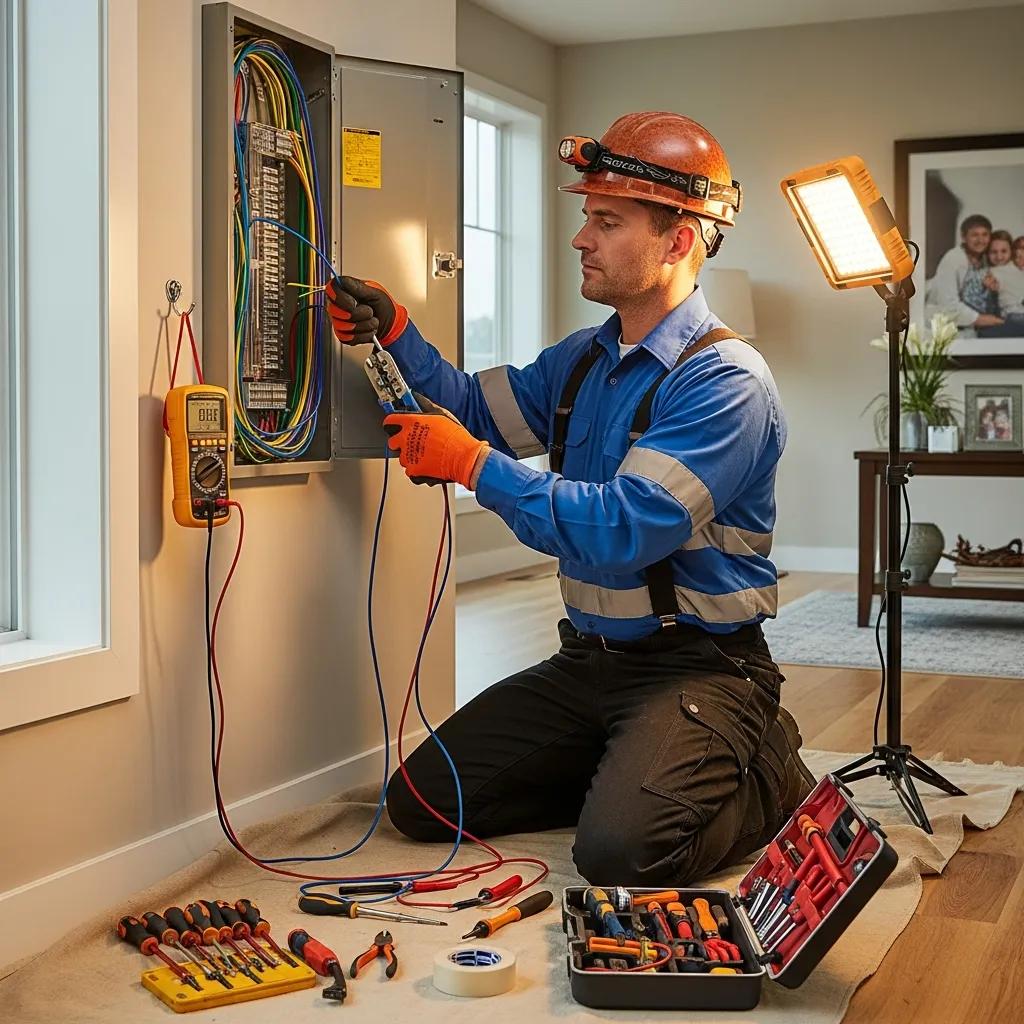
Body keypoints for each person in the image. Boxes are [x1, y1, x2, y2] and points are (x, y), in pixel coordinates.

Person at [325, 111, 814, 886]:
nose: (581, 238)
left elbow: (625, 528)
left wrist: (475, 468)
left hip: (698, 670)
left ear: (680, 239)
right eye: (586, 218)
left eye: (607, 221)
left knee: (621, 855)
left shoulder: (725, 381)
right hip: (587, 664)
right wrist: (397, 332)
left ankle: (766, 772)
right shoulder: (587, 357)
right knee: (418, 803)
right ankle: (630, 762)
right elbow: (473, 409)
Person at [926, 214, 1004, 336]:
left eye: (985, 235)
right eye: (975, 235)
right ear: (963, 237)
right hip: (946, 326)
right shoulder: (953, 259)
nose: (980, 240)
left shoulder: (985, 260)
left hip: (974, 326)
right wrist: (982, 319)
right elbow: (948, 305)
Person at [979, 230, 1024, 339]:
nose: (999, 257)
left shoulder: (1017, 267)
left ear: (1011, 252)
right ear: (987, 254)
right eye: (994, 252)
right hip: (1013, 316)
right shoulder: (988, 272)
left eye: (1004, 251)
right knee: (984, 333)